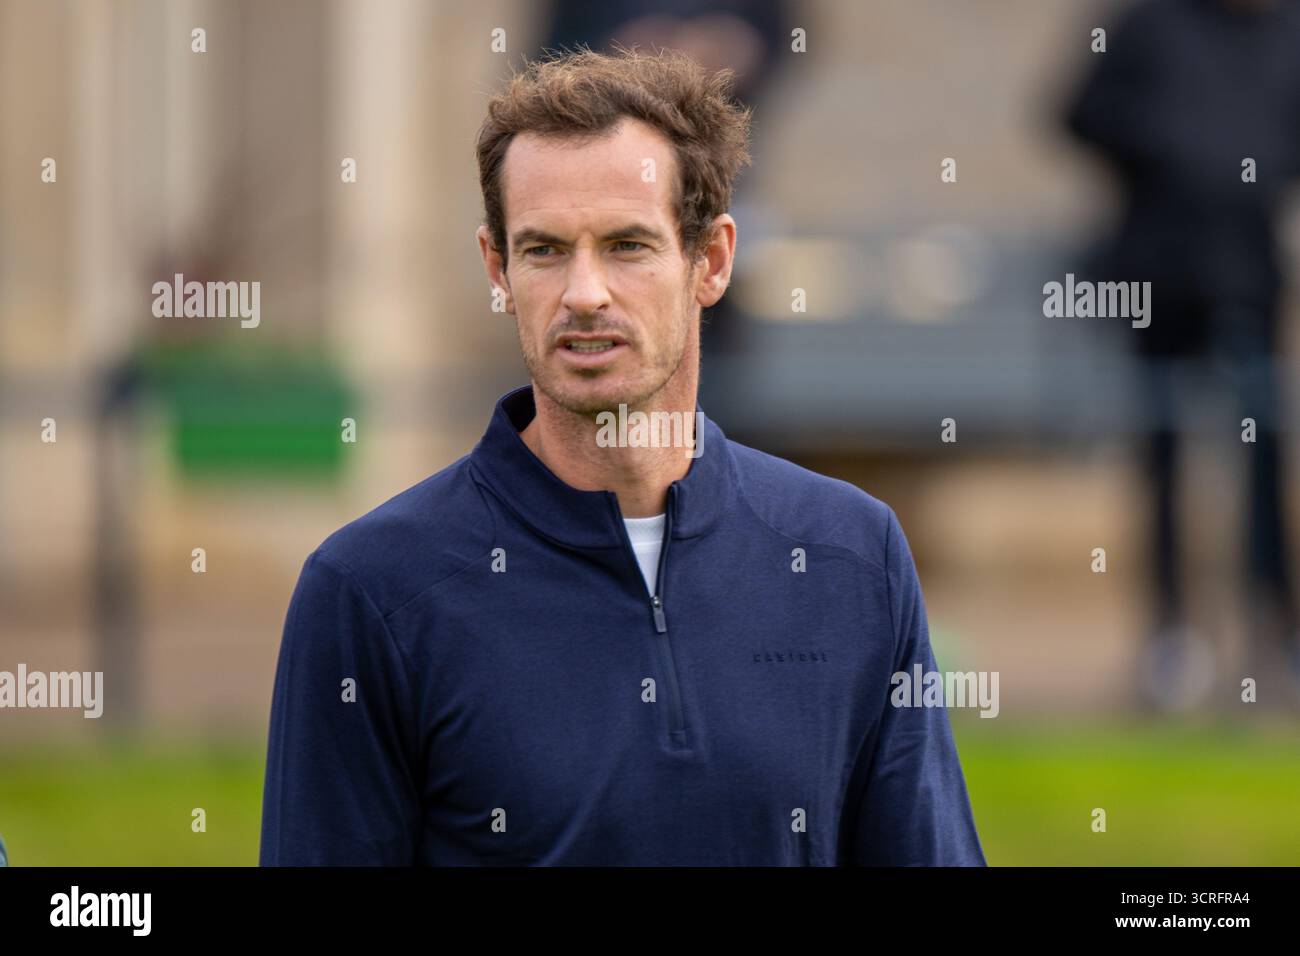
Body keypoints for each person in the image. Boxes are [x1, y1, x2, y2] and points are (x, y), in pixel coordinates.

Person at [259, 45, 985, 866]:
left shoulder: (851, 555)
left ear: (709, 260)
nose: (584, 293)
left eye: (627, 246)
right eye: (543, 250)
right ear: (498, 268)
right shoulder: (371, 591)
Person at [1064, 0, 1300, 708]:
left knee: (1262, 459)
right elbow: (1079, 114)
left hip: (1250, 272)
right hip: (1158, 271)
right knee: (1162, 454)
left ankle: (1278, 633)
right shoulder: (1146, 25)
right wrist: (1175, 152)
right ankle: (1172, 637)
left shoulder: (1286, 29)